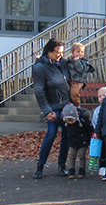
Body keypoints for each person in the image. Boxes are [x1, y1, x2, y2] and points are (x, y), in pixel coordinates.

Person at [31, 39, 71, 179]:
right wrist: (47, 111)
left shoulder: (64, 63)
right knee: (51, 134)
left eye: (61, 52)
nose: (60, 55)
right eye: (57, 53)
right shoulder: (40, 68)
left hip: (67, 106)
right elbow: (39, 91)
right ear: (49, 52)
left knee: (67, 136)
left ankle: (62, 166)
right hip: (53, 106)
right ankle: (40, 166)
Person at [60, 103, 93, 180]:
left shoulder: (82, 120)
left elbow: (89, 129)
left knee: (81, 155)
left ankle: (82, 170)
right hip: (72, 141)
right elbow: (59, 122)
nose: (70, 122)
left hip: (82, 141)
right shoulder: (66, 123)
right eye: (68, 120)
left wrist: (91, 138)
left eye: (72, 120)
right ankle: (71, 169)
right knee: (72, 155)